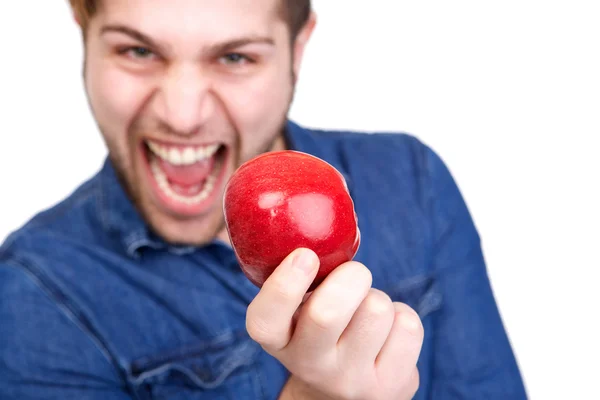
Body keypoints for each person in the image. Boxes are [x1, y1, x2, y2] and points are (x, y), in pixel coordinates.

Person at [0, 0, 528, 399]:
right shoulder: (35, 290)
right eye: (137, 51)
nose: (182, 115)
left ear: (297, 49)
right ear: (84, 35)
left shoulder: (413, 180)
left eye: (235, 56)